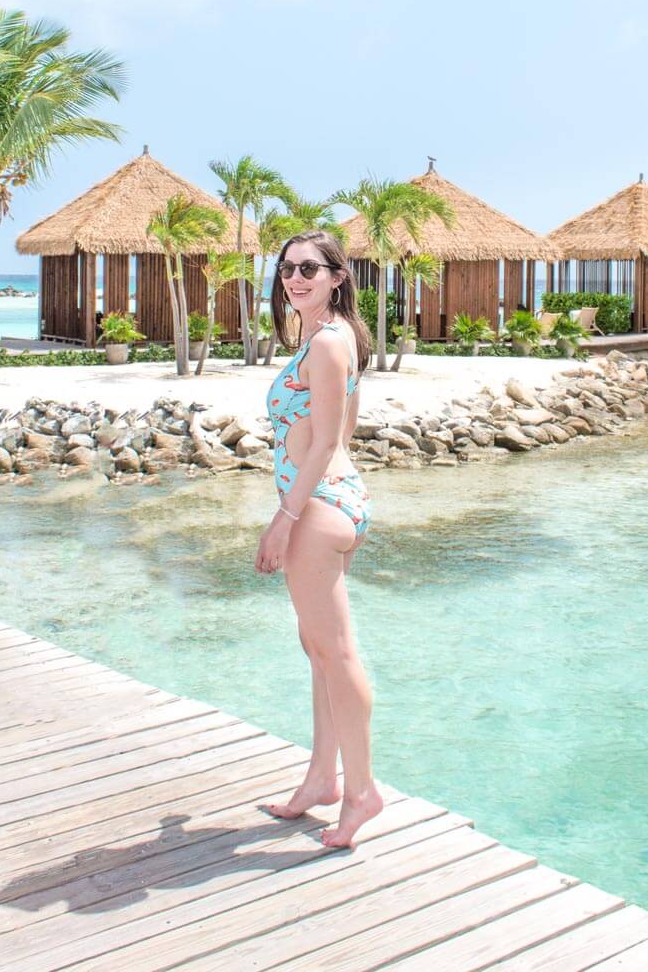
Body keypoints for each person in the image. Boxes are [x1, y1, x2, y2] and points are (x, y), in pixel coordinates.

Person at [255, 229, 384, 849]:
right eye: (286, 269)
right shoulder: (326, 338)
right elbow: (345, 428)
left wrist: (286, 514)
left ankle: (361, 792)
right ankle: (321, 781)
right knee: (320, 651)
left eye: (310, 268)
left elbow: (329, 442)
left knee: (337, 654)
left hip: (318, 506)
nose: (295, 277)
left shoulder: (328, 342)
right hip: (335, 498)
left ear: (337, 276)